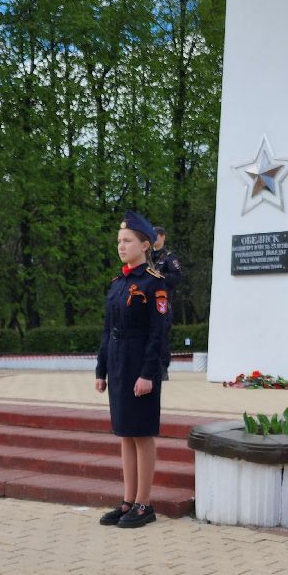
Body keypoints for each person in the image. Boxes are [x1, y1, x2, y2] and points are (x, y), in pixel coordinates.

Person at [95, 211, 172, 529]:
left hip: (140, 365)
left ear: (144, 245)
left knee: (141, 434)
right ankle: (128, 500)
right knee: (125, 434)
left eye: (127, 241)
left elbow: (159, 333)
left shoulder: (155, 285)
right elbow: (107, 329)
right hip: (117, 364)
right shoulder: (118, 284)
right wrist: (101, 369)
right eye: (118, 241)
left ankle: (144, 503)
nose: (121, 246)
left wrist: (148, 374)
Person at [151, 227, 182, 380]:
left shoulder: (170, 258)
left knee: (161, 336)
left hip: (162, 303)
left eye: (155, 236)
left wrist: (160, 275)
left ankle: (163, 368)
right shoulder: (145, 256)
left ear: (163, 237)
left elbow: (176, 278)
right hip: (145, 303)